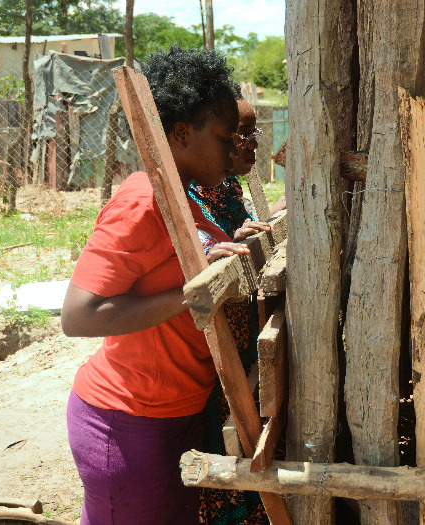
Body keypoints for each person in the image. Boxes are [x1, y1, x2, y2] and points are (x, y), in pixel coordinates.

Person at [61, 46, 256, 524]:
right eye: (224, 135)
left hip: (175, 413)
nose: (234, 146)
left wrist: (226, 245)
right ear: (182, 133)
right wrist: (193, 292)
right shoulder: (144, 201)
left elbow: (174, 262)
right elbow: (77, 315)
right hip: (127, 422)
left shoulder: (186, 197)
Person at [188, 98, 272, 524]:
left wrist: (248, 231)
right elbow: (197, 251)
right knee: (226, 449)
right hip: (213, 354)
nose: (251, 146)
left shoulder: (228, 189)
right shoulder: (189, 194)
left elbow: (234, 234)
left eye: (254, 134)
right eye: (240, 136)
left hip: (243, 343)